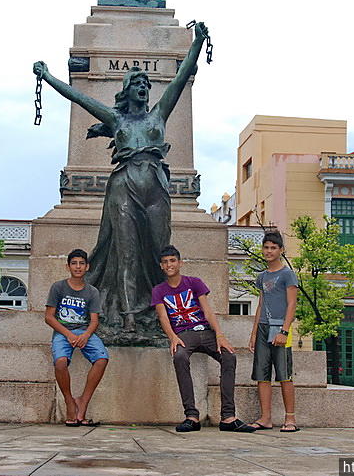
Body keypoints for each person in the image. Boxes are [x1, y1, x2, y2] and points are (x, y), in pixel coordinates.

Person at [33, 23, 209, 333]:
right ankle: (128, 315)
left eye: (146, 84)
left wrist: (198, 42)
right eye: (137, 84)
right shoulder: (117, 118)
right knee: (126, 252)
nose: (143, 87)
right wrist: (47, 78)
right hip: (124, 185)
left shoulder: (159, 114)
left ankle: (162, 314)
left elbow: (181, 79)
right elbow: (79, 98)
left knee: (160, 250)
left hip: (155, 185)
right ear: (127, 90)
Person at [152, 245, 256, 433]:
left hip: (206, 332)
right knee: (180, 357)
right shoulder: (159, 290)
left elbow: (207, 311)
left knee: (229, 357)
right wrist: (173, 337)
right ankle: (191, 416)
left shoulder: (194, 282)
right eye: (166, 262)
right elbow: (163, 317)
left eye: (173, 260)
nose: (169, 265)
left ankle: (228, 417)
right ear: (161, 266)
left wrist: (219, 335)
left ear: (180, 263)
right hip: (184, 335)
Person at [45, 249, 109, 426]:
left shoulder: (92, 291)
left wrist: (86, 335)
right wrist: (68, 334)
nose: (78, 267)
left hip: (84, 331)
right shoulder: (58, 287)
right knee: (60, 362)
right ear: (68, 266)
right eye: (74, 263)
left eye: (81, 263)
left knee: (102, 359)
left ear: (87, 267)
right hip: (63, 332)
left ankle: (83, 402)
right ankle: (69, 401)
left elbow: (94, 321)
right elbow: (49, 317)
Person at [248, 231, 300, 433]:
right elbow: (261, 304)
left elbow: (292, 303)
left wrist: (285, 331)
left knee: (284, 374)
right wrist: (253, 334)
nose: (269, 251)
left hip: (280, 328)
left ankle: (290, 419)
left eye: (273, 248)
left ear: (281, 250)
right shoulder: (261, 277)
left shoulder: (287, 274)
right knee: (262, 375)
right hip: (263, 328)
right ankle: (266, 417)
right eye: (266, 247)